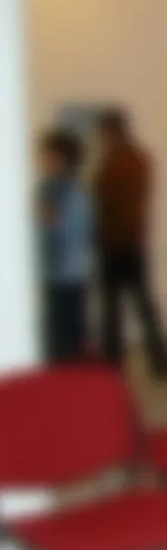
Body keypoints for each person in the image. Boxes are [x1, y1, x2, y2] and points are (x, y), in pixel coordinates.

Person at [93, 109, 166, 374]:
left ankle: (113, 366)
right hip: (134, 242)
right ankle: (160, 360)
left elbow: (103, 200)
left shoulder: (113, 163)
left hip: (115, 243)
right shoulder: (140, 159)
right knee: (143, 306)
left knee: (113, 309)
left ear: (110, 132)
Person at [38, 129, 93, 363]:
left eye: (49, 156)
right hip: (54, 273)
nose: (44, 161)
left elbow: (74, 230)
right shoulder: (49, 187)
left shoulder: (73, 192)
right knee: (56, 332)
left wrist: (49, 217)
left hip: (70, 274)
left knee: (69, 334)